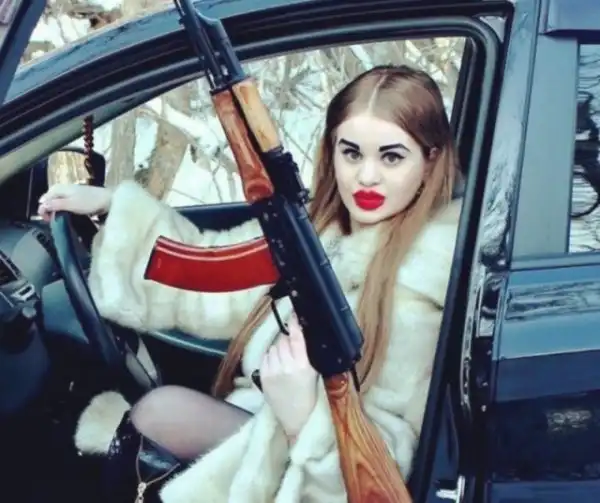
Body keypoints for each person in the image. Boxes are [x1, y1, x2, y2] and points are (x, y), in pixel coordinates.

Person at [38, 64, 463, 503]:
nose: (366, 176)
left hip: (303, 472)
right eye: (352, 153)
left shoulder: (421, 287)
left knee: (159, 413)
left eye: (391, 157)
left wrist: (301, 419)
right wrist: (112, 207)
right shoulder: (323, 231)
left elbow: (388, 466)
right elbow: (209, 272)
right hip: (263, 429)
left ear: (430, 160)